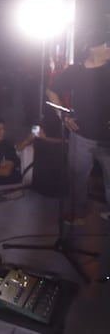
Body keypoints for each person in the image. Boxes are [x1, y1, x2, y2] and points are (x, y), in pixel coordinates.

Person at [45, 29, 110, 224]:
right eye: (107, 45)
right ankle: (77, 212)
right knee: (77, 178)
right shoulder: (75, 71)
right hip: (81, 135)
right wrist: (63, 115)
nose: (109, 49)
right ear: (92, 48)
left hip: (108, 138)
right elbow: (51, 92)